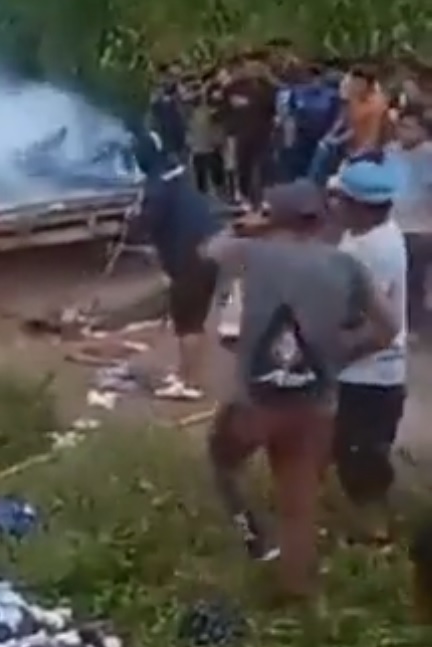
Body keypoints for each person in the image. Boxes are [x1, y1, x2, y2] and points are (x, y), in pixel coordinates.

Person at [202, 180, 399, 601]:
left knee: (222, 460)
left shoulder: (251, 254)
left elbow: (207, 252)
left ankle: (252, 531)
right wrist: (340, 355)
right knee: (300, 505)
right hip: (316, 403)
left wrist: (244, 226)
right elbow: (389, 328)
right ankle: (300, 598)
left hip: (256, 400)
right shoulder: (346, 266)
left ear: (274, 217)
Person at [330, 159, 409, 543]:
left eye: (339, 197)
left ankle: (376, 536)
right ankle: (368, 526)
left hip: (370, 374)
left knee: (362, 458)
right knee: (352, 452)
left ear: (358, 205)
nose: (333, 203)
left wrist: (332, 355)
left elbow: (379, 328)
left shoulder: (371, 254)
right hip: (369, 373)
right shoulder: (369, 232)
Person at [130, 131, 225, 400]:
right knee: (193, 320)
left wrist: (134, 220)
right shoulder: (174, 173)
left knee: (188, 323)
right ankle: (187, 374)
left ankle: (190, 384)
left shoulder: (156, 186)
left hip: (191, 257)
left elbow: (144, 224)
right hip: (209, 249)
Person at [389, 106, 432, 336]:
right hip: (392, 223)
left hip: (421, 228)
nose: (403, 132)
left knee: (413, 278)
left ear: (423, 131)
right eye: (401, 126)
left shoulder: (429, 155)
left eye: (409, 127)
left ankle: (414, 323)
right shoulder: (391, 151)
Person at [222, 56, 277, 209]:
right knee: (243, 165)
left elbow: (273, 110)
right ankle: (245, 197)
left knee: (264, 165)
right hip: (240, 132)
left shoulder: (268, 87)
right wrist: (229, 132)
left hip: (264, 131)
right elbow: (225, 111)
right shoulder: (232, 88)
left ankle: (265, 198)